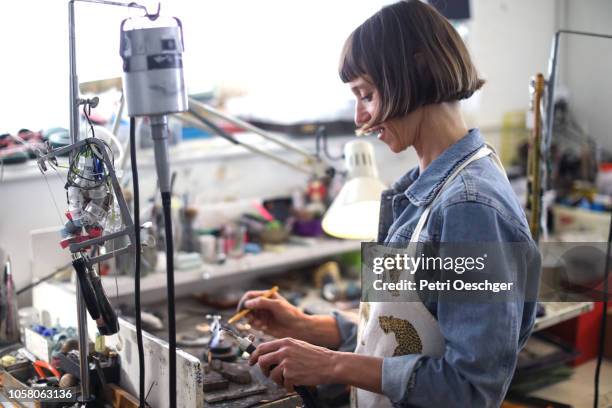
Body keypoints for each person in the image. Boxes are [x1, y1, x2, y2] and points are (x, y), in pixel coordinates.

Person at [240, 1, 541, 407]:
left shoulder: (470, 208)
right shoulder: (417, 194)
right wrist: (308, 326)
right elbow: (397, 337)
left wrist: (332, 365)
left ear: (415, 70)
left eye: (366, 94)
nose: (360, 118)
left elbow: (471, 389)